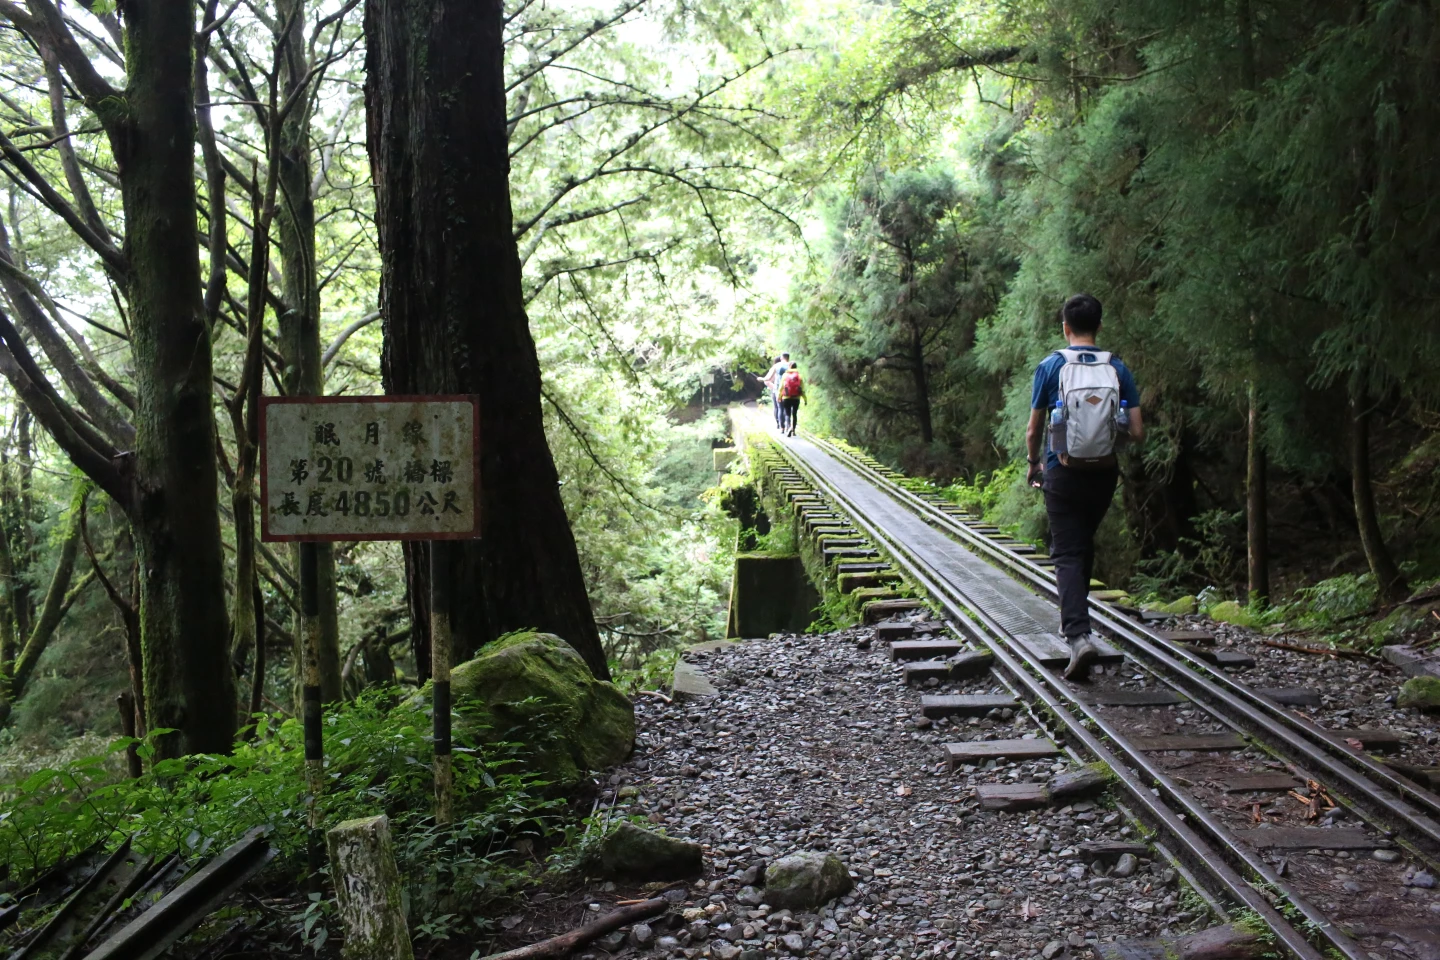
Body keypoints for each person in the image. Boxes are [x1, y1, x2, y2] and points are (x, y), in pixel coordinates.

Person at [1024, 294, 1143, 680]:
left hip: (1062, 470)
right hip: (1103, 473)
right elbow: (1137, 431)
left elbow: (1033, 429)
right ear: (1099, 326)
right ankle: (1079, 628)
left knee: (1068, 553)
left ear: (1065, 327)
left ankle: (1078, 636)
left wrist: (1033, 463)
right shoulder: (1117, 368)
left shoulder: (1051, 366)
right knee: (1082, 544)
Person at [762, 353, 791, 431]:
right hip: (787, 390)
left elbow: (767, 381)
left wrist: (774, 387)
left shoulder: (775, 368)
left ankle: (780, 425)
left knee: (778, 407)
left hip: (777, 391)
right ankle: (788, 425)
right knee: (786, 408)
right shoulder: (789, 366)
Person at [778, 362, 805, 437]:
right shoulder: (799, 376)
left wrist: (779, 397)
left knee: (787, 413)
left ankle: (789, 427)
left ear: (789, 367)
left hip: (786, 397)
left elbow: (781, 387)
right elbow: (802, 389)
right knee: (794, 414)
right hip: (796, 397)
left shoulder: (785, 375)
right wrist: (805, 399)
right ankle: (793, 430)